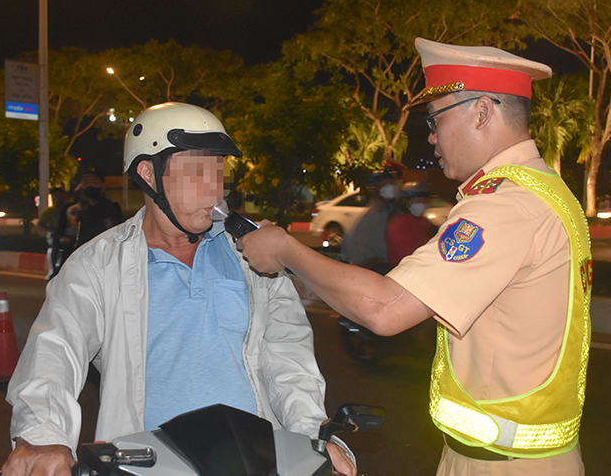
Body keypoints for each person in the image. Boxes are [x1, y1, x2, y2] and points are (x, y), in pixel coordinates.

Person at [239, 38, 592, 475]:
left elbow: (385, 308)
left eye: (435, 118)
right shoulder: (546, 189)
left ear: (482, 111)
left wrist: (285, 249)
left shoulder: (505, 204)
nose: (430, 136)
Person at [1, 102, 355, 476]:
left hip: (258, 460)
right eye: (197, 170)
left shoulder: (253, 256)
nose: (214, 187)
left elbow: (287, 357)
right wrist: (42, 437)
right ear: (148, 175)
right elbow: (55, 351)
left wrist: (311, 435)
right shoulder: (97, 265)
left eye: (218, 170)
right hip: (147, 465)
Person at [340, 166, 402, 275]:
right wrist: (368, 262)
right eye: (385, 185)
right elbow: (349, 245)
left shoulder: (392, 210)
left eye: (391, 184)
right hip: (380, 271)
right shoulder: (371, 216)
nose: (390, 188)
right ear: (374, 189)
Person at [385, 181, 436, 267]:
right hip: (405, 269)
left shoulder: (420, 220)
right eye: (418, 201)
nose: (422, 205)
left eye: (424, 201)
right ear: (406, 202)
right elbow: (407, 253)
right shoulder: (398, 224)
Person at [72, 165, 124, 249]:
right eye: (86, 183)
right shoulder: (85, 210)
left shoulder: (110, 209)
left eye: (95, 183)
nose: (90, 186)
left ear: (103, 185)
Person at [36, 187, 70, 281]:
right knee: (54, 247)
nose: (60, 198)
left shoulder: (70, 209)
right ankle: (53, 270)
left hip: (68, 235)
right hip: (55, 235)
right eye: (57, 196)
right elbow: (41, 223)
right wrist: (52, 229)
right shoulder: (50, 211)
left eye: (62, 195)